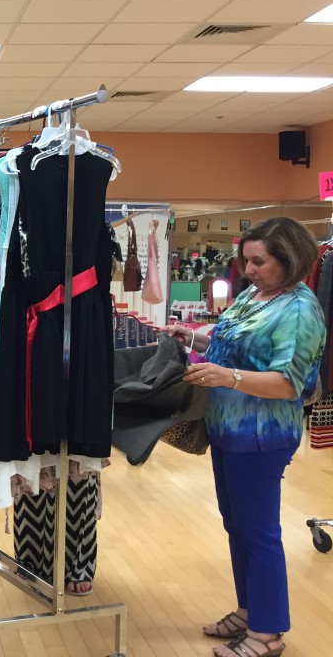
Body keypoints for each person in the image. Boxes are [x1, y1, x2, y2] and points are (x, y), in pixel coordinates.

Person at [159, 217, 325, 657]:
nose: (247, 270)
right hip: (228, 429)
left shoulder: (299, 311)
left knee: (259, 530)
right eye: (245, 260)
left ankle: (267, 633)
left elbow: (288, 384)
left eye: (258, 262)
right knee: (238, 525)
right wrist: (193, 337)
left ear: (289, 260)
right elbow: (230, 346)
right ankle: (250, 610)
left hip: (261, 435)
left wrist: (227, 377)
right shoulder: (255, 295)